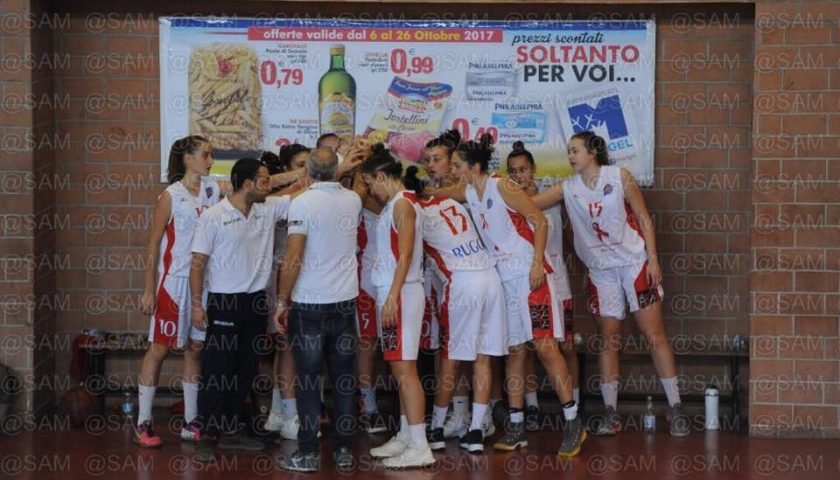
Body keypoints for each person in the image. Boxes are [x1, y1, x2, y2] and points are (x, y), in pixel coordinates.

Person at [427, 134, 586, 458]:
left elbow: (539, 221)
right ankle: (515, 425)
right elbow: (443, 191)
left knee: (545, 348)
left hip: (529, 273)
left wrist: (538, 262)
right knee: (514, 350)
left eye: (457, 165)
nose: (453, 170)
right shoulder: (470, 189)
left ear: (474, 166)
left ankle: (573, 421)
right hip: (503, 277)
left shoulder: (503, 187)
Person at [532, 131, 689, 437]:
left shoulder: (620, 177)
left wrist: (653, 258)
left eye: (575, 150)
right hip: (601, 271)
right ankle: (611, 413)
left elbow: (644, 218)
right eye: (568, 151)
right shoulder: (568, 187)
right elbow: (530, 203)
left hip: (633, 264)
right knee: (609, 340)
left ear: (593, 152)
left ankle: (676, 407)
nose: (570, 155)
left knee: (654, 334)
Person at [189, 157, 292, 462]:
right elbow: (197, 265)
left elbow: (306, 189)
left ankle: (232, 431)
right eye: (263, 180)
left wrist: (332, 167)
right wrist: (197, 305)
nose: (268, 184)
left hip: (256, 302)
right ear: (247, 184)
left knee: (245, 369)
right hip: (224, 301)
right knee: (217, 370)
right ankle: (207, 435)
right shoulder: (214, 216)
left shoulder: (266, 209)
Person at [403, 167, 507, 454]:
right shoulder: (450, 202)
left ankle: (435, 427)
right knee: (482, 357)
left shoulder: (415, 215)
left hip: (463, 284)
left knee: (450, 358)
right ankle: (475, 429)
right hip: (491, 277)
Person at [274, 148, 364, 472]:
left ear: (308, 173)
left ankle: (309, 453)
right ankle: (343, 452)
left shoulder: (302, 203)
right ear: (337, 170)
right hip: (344, 304)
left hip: (309, 304)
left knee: (309, 381)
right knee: (343, 381)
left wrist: (281, 301)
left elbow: (294, 256)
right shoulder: (353, 200)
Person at [135, 136, 220, 448]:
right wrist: (148, 288)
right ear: (188, 158)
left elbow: (253, 187)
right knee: (159, 347)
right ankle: (143, 421)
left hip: (204, 282)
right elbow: (153, 243)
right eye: (206, 155)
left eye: (211, 155)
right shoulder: (170, 195)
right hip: (173, 283)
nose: (210, 160)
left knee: (195, 350)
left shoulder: (214, 190)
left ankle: (190, 421)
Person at [364, 145, 436, 469]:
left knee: (406, 370)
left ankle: (420, 445)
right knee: (398, 368)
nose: (370, 191)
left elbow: (405, 255)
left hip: (403, 293)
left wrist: (392, 295)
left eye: (370, 184)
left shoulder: (403, 206)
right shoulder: (394, 204)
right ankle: (407, 436)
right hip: (393, 292)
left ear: (381, 176)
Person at [506, 141, 580, 431]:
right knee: (526, 346)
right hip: (529, 282)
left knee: (566, 347)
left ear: (534, 170)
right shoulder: (510, 205)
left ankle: (574, 406)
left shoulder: (552, 195)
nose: (519, 176)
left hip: (557, 282)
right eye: (512, 172)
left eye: (523, 170)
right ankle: (532, 406)